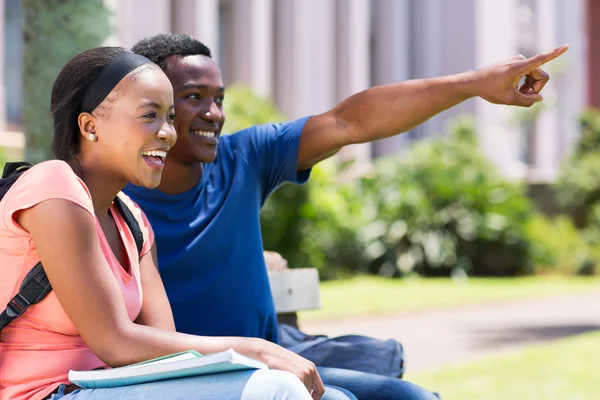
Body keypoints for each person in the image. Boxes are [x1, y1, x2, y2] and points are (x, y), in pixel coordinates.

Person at [125, 33, 567, 400]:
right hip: (194, 382)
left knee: (413, 398)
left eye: (219, 98)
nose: (214, 114)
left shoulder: (245, 158)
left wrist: (473, 84)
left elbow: (350, 122)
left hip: (281, 367)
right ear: (152, 104)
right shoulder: (115, 196)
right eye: (194, 98)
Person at [0, 46, 356, 400]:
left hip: (114, 388)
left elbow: (166, 353)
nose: (168, 133)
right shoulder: (53, 186)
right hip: (46, 394)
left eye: (169, 117)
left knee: (329, 399)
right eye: (149, 116)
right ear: (90, 125)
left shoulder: (132, 221)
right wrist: (256, 350)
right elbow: (115, 341)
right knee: (276, 389)